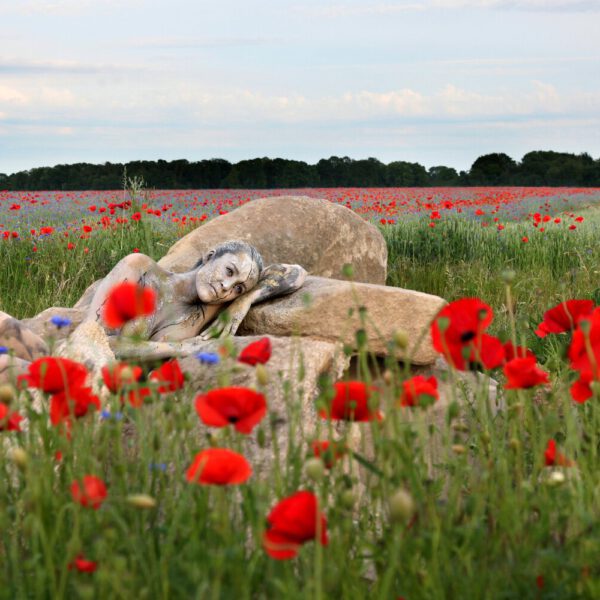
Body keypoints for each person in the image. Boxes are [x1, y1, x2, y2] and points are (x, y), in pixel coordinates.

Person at [0, 240, 306, 382]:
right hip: (75, 366)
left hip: (101, 391)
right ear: (210, 255)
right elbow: (93, 341)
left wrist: (245, 302)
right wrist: (177, 348)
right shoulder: (141, 269)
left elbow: (294, 273)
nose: (227, 286)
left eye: (238, 287)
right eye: (228, 271)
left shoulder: (207, 316)